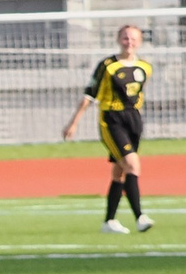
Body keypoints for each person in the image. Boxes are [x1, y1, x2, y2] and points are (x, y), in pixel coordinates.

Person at [62, 22, 155, 233]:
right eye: (125, 38)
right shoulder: (107, 65)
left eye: (133, 38)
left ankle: (109, 222)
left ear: (139, 42)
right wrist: (74, 122)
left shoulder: (145, 67)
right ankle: (140, 217)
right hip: (112, 119)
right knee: (133, 165)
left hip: (134, 120)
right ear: (118, 40)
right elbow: (90, 94)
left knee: (119, 173)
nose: (128, 42)